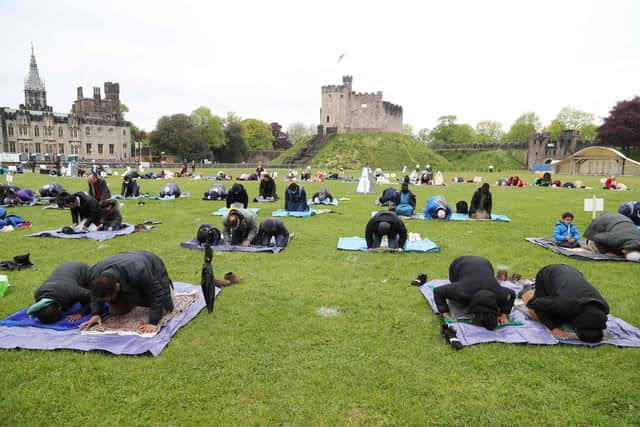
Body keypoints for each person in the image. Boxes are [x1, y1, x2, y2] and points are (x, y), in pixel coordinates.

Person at [80, 251, 174, 334]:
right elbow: (95, 295)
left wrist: (153, 322)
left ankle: (164, 290)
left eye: (110, 298)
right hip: (125, 270)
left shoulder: (139, 270)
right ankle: (132, 299)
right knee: (116, 311)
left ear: (117, 286)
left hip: (151, 266)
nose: (108, 301)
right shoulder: (94, 274)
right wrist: (96, 313)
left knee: (167, 308)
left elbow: (157, 294)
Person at [519, 264, 609, 341]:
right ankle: (526, 290)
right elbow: (535, 303)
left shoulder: (604, 308)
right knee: (537, 314)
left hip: (573, 273)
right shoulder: (563, 304)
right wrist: (553, 328)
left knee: (559, 316)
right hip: (548, 273)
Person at [433, 256, 515, 330]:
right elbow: (438, 291)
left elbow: (511, 294)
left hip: (485, 263)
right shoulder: (461, 292)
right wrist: (446, 313)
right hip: (458, 264)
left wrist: (503, 315)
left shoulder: (499, 294)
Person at [27, 262, 92, 323]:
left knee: (85, 299)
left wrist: (81, 313)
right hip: (64, 274)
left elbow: (94, 296)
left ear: (59, 308)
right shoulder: (38, 294)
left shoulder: (72, 291)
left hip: (83, 270)